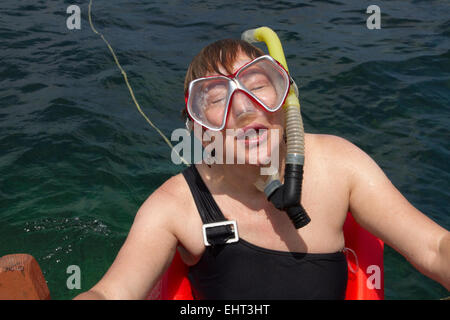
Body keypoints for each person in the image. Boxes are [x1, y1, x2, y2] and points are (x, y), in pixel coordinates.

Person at [74, 39, 450, 300]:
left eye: (258, 86)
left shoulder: (340, 166)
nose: (243, 108)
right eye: (217, 98)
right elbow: (112, 291)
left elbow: (434, 249)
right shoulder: (176, 206)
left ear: (286, 99)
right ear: (200, 130)